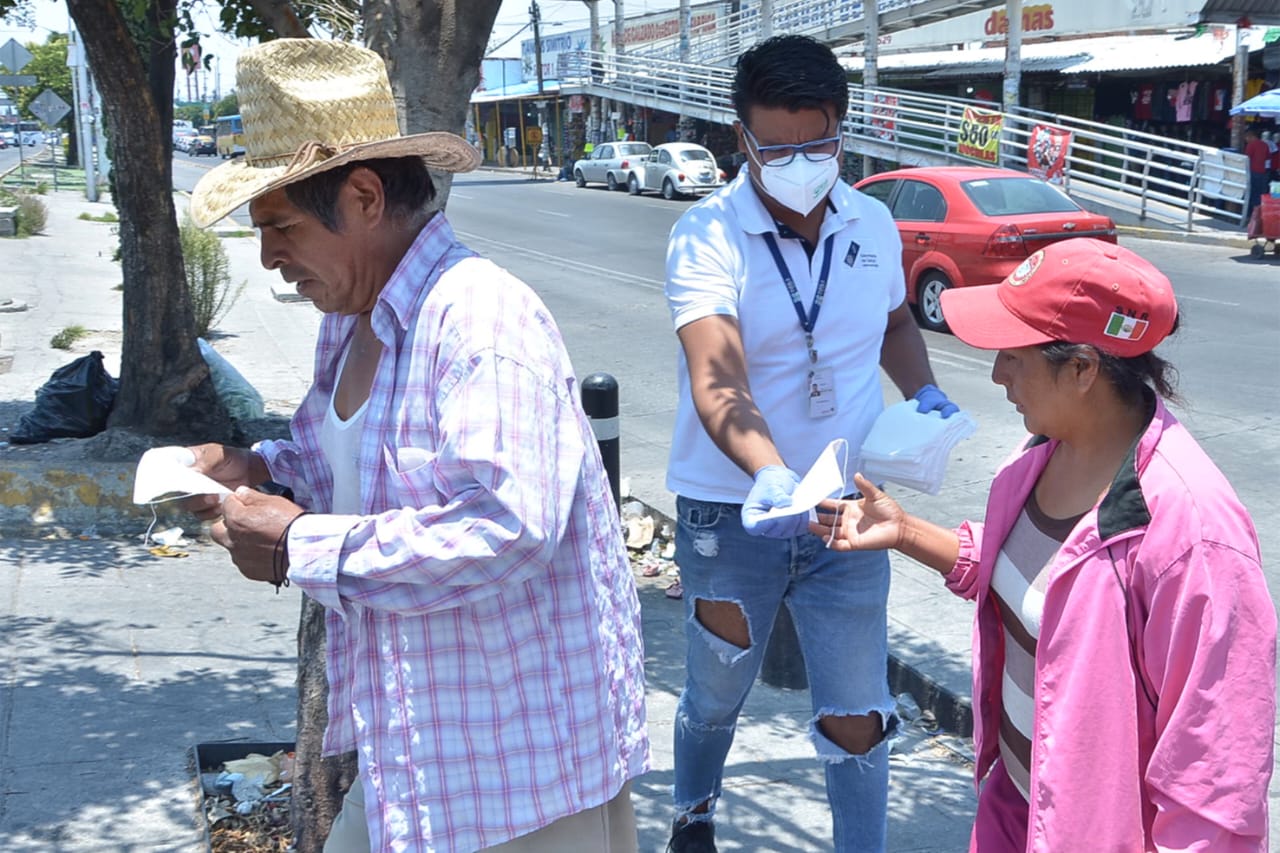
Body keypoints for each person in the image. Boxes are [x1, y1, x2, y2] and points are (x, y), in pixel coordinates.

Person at [182, 39, 649, 853]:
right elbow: (339, 465)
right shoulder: (351, 321)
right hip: (421, 751)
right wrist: (254, 472)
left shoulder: (479, 322)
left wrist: (298, 543)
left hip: (519, 776)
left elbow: (504, 529)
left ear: (363, 196)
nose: (269, 258)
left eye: (280, 226)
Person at [816, 238, 1276, 851]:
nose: (997, 372)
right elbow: (1043, 582)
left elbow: (1214, 780)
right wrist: (905, 532)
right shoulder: (1041, 454)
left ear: (1083, 369)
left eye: (1014, 354)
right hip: (1016, 804)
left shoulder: (1194, 535)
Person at [662, 34, 958, 853]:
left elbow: (896, 320)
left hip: (846, 513)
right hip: (734, 512)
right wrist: (770, 472)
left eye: (818, 141)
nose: (800, 160)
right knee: (717, 691)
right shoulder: (707, 234)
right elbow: (716, 378)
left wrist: (922, 388)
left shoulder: (872, 222)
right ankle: (693, 817)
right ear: (743, 138)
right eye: (778, 146)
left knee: (858, 704)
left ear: (842, 128)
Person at [1243, 126, 1270, 220]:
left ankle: (1250, 215)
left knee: (1252, 193)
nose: (1245, 139)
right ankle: (1258, 216)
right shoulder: (1265, 145)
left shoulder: (1251, 145)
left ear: (1250, 136)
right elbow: (1267, 159)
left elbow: (1246, 159)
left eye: (1246, 137)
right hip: (1262, 172)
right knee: (1260, 194)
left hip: (1252, 172)